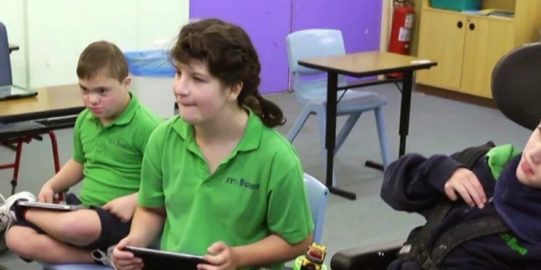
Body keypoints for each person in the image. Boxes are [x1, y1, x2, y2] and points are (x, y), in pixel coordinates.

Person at [112, 18, 314, 270]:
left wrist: (238, 257)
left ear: (233, 89)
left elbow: (299, 241)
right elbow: (152, 209)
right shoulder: (163, 139)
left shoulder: (276, 157)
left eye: (197, 79)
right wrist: (135, 243)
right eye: (178, 73)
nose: (179, 88)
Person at [1, 40, 163, 265]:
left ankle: (18, 209)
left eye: (102, 91)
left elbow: (169, 182)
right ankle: (99, 257)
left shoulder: (149, 127)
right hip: (85, 208)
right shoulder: (85, 120)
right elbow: (79, 163)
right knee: (16, 238)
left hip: (122, 218)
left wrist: (135, 200)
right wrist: (52, 185)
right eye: (84, 90)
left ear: (126, 83)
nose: (92, 99)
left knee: (75, 225)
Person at [380, 120, 541, 269]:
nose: (534, 154)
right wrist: (436, 172)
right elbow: (391, 188)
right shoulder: (481, 163)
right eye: (540, 132)